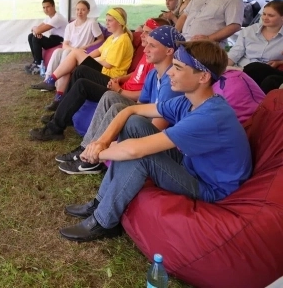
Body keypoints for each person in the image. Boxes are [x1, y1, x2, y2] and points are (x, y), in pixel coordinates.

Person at [59, 41, 252, 242]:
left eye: (178, 67)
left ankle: (104, 222)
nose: (170, 73)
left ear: (203, 77)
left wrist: (94, 155)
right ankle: (100, 202)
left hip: (209, 187)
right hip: (191, 164)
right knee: (134, 123)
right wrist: (101, 142)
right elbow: (130, 110)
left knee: (140, 157)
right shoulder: (190, 100)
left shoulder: (210, 117)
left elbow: (135, 152)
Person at [56, 25, 185, 174]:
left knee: (118, 107)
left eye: (152, 46)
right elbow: (140, 104)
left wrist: (125, 121)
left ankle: (93, 159)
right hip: (147, 117)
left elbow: (158, 126)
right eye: (147, 43)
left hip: (156, 129)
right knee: (110, 96)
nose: (145, 49)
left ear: (169, 51)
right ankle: (87, 148)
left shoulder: (171, 82)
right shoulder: (153, 73)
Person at [29, 18, 169, 141]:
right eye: (143, 31)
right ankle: (60, 113)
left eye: (148, 32)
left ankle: (54, 128)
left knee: (82, 84)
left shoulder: (152, 57)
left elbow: (145, 94)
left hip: (123, 93)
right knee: (80, 70)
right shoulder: (147, 52)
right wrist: (121, 79)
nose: (143, 35)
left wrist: (119, 90)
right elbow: (136, 74)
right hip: (119, 84)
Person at [40, 7, 133, 110]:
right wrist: (85, 58)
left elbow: (108, 64)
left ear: (120, 22)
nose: (107, 23)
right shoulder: (112, 37)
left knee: (75, 53)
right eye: (106, 20)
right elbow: (97, 51)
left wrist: (86, 60)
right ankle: (59, 96)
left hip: (110, 75)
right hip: (104, 69)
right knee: (73, 60)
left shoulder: (123, 41)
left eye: (110, 20)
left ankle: (52, 81)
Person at [32, 0, 103, 91]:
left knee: (66, 53)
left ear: (88, 11)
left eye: (83, 10)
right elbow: (65, 44)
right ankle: (47, 80)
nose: (79, 12)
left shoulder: (91, 23)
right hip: (71, 49)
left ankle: (59, 85)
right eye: (77, 10)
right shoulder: (70, 25)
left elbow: (101, 39)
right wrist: (73, 49)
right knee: (58, 51)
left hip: (81, 52)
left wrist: (88, 46)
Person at [228, 0, 283, 93]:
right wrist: (220, 69)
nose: (265, 18)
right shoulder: (249, 31)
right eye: (264, 14)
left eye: (271, 15)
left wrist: (280, 62)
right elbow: (235, 53)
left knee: (267, 78)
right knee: (254, 69)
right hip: (243, 70)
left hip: (266, 71)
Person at [25, 0, 68, 74]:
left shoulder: (57, 18)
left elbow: (37, 30)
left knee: (35, 37)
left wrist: (36, 30)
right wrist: (36, 31)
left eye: (48, 7)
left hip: (60, 41)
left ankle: (38, 65)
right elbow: (37, 29)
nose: (45, 9)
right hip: (53, 38)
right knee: (31, 36)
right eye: (44, 7)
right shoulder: (49, 17)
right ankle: (35, 61)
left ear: (53, 6)